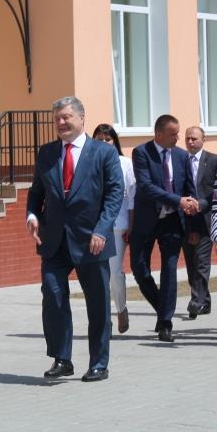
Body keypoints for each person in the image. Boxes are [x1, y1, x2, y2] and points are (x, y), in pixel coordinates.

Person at [26, 97, 124, 382]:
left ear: (82, 118)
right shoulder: (47, 153)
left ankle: (99, 363)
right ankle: (62, 358)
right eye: (57, 118)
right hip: (54, 240)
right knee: (53, 295)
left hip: (92, 239)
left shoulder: (103, 153)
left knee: (98, 303)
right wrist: (32, 215)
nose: (61, 123)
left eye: (66, 117)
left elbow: (114, 194)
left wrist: (101, 230)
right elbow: (36, 192)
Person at [130, 114, 199, 343]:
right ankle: (163, 308)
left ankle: (165, 323)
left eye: (177, 133)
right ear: (158, 134)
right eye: (172, 134)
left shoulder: (181, 156)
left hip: (172, 222)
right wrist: (178, 200)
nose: (177, 138)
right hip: (146, 220)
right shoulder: (141, 153)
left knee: (169, 270)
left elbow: (189, 189)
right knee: (139, 270)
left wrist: (193, 225)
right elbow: (146, 187)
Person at [92, 123, 137, 333]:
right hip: (93, 226)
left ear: (114, 141)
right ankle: (104, 321)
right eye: (99, 139)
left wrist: (132, 224)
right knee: (98, 275)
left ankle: (121, 309)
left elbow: (132, 196)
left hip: (118, 225)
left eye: (107, 139)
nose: (104, 142)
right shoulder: (88, 161)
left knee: (114, 272)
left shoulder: (125, 163)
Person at [182, 126, 217, 319]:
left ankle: (196, 301)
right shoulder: (180, 160)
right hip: (186, 220)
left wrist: (201, 205)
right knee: (191, 265)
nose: (190, 142)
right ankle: (205, 301)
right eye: (188, 138)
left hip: (206, 220)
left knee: (201, 262)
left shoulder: (214, 161)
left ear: (203, 139)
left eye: (194, 138)